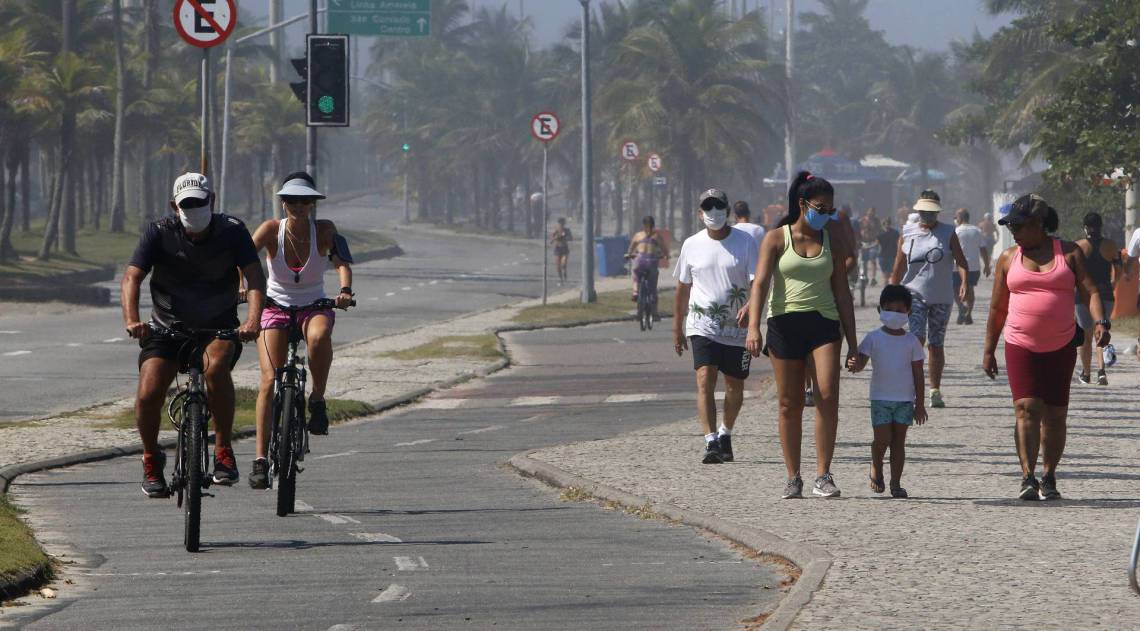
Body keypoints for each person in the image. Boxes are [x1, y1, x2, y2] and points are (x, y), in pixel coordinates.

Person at [122, 173, 265, 497]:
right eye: (186, 205)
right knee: (148, 392)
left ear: (211, 200)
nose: (194, 210)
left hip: (218, 326)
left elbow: (255, 276)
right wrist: (133, 320)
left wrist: (252, 321)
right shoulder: (159, 232)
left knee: (215, 368)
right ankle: (151, 458)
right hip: (167, 327)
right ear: (175, 206)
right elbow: (132, 277)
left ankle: (223, 450)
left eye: (199, 203)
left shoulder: (233, 230)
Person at [982, 194, 1109, 500]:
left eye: (1018, 226)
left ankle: (1049, 476)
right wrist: (988, 350)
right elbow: (998, 308)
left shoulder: (1069, 253)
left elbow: (1091, 291)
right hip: (1020, 344)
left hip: (1061, 345)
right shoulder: (1008, 258)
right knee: (1026, 408)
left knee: (1054, 414)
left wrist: (1101, 322)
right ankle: (1028, 477)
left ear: (1038, 224)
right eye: (1011, 226)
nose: (1013, 232)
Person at [745, 172, 858, 499]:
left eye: (830, 210)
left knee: (827, 395)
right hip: (784, 325)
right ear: (802, 204)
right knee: (789, 403)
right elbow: (761, 284)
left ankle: (823, 475)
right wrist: (753, 327)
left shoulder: (833, 241)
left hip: (824, 324)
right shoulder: (776, 239)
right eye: (821, 208)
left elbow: (843, 293)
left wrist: (853, 343)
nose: (826, 215)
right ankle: (793, 476)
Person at [247, 172, 355, 489]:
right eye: (292, 200)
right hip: (274, 306)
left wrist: (345, 291)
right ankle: (260, 459)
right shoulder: (270, 230)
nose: (298, 206)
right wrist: (242, 286)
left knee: (319, 338)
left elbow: (341, 262)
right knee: (269, 380)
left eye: (304, 201)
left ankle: (317, 399)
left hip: (314, 304)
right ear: (283, 203)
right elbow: (244, 258)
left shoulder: (325, 230)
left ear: (312, 204)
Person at [673, 188, 758, 465]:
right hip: (702, 326)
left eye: (718, 207)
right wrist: (677, 327)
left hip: (737, 329)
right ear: (700, 214)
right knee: (704, 379)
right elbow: (683, 288)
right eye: (708, 208)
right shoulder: (691, 245)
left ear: (728, 211)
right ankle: (710, 441)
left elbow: (758, 282)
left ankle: (725, 433)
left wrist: (751, 308)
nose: (713, 212)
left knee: (734, 386)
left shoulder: (745, 242)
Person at [889, 190, 969, 409]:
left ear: (938, 212)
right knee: (916, 339)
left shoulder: (948, 232)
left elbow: (961, 261)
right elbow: (899, 265)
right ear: (919, 211)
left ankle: (934, 389)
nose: (928, 216)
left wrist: (964, 282)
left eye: (932, 212)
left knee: (936, 343)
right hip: (913, 294)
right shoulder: (907, 232)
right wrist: (892, 293)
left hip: (941, 296)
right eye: (924, 212)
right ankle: (913, 387)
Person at [847, 285, 927, 498]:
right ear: (880, 310)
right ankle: (876, 464)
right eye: (889, 309)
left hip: (905, 401)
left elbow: (919, 374)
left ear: (909, 312)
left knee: (899, 442)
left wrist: (920, 404)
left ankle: (896, 483)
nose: (895, 314)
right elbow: (860, 363)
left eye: (900, 310)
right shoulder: (873, 338)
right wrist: (854, 364)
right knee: (882, 439)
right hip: (880, 399)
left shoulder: (912, 341)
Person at [1074, 212, 1121, 386]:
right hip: (1105, 294)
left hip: (1083, 296)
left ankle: (1086, 374)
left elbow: (1071, 272)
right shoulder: (1111, 245)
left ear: (1085, 228)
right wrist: (1113, 283)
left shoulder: (1078, 246)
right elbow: (1119, 269)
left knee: (1085, 336)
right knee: (1101, 333)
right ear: (1101, 226)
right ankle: (1101, 372)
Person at [952, 209, 991, 325]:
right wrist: (987, 265)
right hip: (973, 266)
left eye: (956, 217)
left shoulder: (956, 231)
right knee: (970, 289)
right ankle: (968, 314)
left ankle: (961, 307)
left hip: (957, 266)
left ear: (960, 218)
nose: (955, 219)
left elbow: (951, 250)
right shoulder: (977, 231)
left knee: (955, 289)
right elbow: (983, 249)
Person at [626, 215, 670, 307]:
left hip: (640, 260)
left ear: (643, 224)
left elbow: (631, 249)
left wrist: (629, 254)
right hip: (651, 261)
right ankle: (653, 298)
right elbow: (664, 249)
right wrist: (666, 256)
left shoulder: (638, 235)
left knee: (636, 275)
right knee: (653, 281)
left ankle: (635, 292)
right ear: (653, 225)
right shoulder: (657, 236)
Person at [858, 207, 881, 286]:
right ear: (867, 211)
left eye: (872, 212)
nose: (871, 213)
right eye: (870, 211)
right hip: (864, 243)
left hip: (873, 242)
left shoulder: (876, 220)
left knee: (872, 260)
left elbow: (880, 230)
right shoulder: (862, 220)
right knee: (864, 261)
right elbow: (858, 230)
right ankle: (865, 277)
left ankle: (873, 278)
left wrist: (879, 240)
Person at [876, 218, 899, 285]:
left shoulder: (895, 233)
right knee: (885, 271)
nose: (887, 225)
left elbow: (898, 243)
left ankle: (886, 282)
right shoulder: (880, 233)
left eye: (888, 223)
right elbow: (877, 243)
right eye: (886, 223)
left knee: (888, 271)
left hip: (890, 255)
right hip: (883, 255)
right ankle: (887, 282)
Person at [551, 218, 572, 284]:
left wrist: (565, 236)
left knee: (563, 264)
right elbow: (551, 241)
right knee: (558, 266)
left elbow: (570, 238)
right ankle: (560, 279)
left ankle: (565, 273)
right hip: (557, 248)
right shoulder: (556, 231)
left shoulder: (567, 230)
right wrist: (556, 237)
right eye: (560, 223)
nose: (561, 225)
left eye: (562, 223)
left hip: (564, 248)